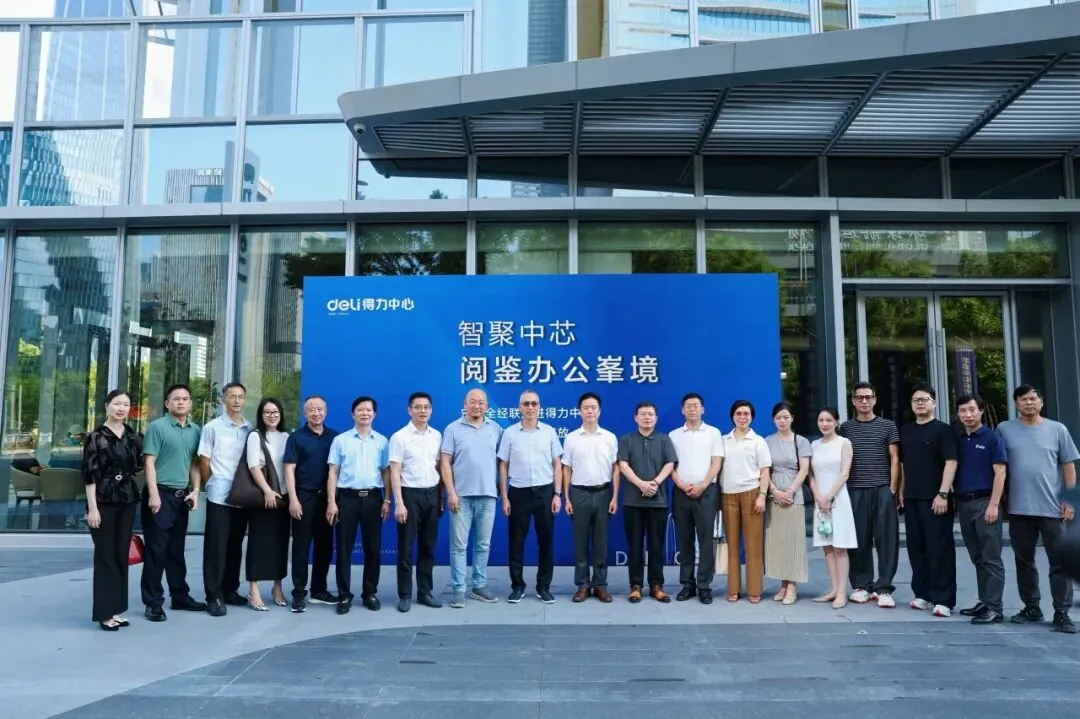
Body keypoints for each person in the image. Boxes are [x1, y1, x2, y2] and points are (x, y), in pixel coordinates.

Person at [996, 384, 1079, 633]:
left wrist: (1070, 501)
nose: (1029, 403)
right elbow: (998, 466)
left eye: (1033, 398)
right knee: (1024, 561)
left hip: (1053, 509)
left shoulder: (1057, 429)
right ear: (1016, 404)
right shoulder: (1004, 429)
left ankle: (1062, 612)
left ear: (1041, 402)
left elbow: (1068, 465)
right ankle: (1031, 606)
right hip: (1019, 509)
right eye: (1023, 399)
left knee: (1059, 563)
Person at [140, 384, 206, 621]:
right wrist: (153, 494)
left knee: (176, 550)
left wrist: (195, 490)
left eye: (185, 399)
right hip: (160, 494)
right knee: (156, 550)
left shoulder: (195, 430)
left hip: (181, 497)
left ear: (190, 404)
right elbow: (149, 463)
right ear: (167, 403)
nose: (180, 402)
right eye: (176, 399)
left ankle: (179, 596)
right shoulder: (157, 427)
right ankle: (153, 602)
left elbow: (195, 464)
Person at [83, 390, 143, 631]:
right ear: (107, 405)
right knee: (105, 555)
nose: (121, 408)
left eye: (126, 404)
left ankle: (117, 609)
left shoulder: (132, 435)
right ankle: (104, 614)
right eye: (117, 403)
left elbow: (141, 463)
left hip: (127, 499)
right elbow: (89, 474)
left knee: (120, 554)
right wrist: (93, 508)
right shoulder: (96, 436)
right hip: (103, 500)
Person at [498, 389, 563, 604]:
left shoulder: (549, 432)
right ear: (519, 407)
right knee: (516, 542)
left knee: (546, 542)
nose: (530, 407)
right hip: (518, 492)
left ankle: (544, 586)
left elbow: (557, 465)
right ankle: (517, 586)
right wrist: (505, 497)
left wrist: (557, 494)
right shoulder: (509, 433)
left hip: (545, 492)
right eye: (526, 404)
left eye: (534, 404)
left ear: (539, 407)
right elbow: (503, 465)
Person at [839, 381, 900, 608]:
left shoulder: (888, 426)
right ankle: (862, 585)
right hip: (855, 489)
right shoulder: (845, 428)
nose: (864, 401)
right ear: (853, 401)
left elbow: (895, 458)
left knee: (887, 540)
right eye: (859, 397)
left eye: (868, 397)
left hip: (882, 488)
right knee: (859, 539)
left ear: (874, 399)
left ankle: (884, 588)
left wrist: (892, 488)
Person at [326, 396, 390, 615]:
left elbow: (386, 472)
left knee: (373, 548)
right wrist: (331, 501)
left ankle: (370, 593)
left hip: (373, 498)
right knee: (344, 549)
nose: (365, 413)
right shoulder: (341, 440)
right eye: (360, 410)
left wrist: (387, 499)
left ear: (374, 414)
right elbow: (333, 472)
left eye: (369, 410)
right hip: (347, 499)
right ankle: (344, 595)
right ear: (353, 414)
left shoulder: (382, 441)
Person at [899, 384, 958, 618]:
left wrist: (943, 493)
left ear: (934, 402)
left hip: (935, 499)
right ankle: (922, 594)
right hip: (911, 498)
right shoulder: (906, 430)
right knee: (916, 548)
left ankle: (944, 599)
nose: (920, 403)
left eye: (924, 399)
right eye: (916, 400)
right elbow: (903, 465)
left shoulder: (944, 430)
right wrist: (901, 491)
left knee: (939, 549)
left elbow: (951, 462)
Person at [441, 388, 503, 608]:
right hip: (461, 497)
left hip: (488, 496)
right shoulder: (452, 429)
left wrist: (500, 489)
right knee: (459, 546)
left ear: (487, 406)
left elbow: (502, 463)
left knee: (483, 545)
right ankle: (458, 589)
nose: (477, 405)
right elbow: (445, 462)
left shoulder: (496, 429)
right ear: (465, 404)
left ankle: (479, 585)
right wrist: (451, 492)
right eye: (472, 401)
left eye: (481, 402)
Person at [197, 382, 252, 617]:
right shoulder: (212, 427)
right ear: (223, 399)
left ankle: (230, 590)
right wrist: (211, 483)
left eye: (240, 397)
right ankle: (213, 595)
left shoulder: (250, 429)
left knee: (235, 546)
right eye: (232, 396)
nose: (237, 401)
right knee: (215, 547)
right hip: (219, 495)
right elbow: (204, 460)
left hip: (243, 496)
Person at [954, 394, 1007, 625]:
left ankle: (995, 607)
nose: (968, 414)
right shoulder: (957, 439)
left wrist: (994, 504)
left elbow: (1000, 473)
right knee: (977, 557)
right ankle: (985, 601)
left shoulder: (992, 438)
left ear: (981, 411)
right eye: (963, 410)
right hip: (964, 504)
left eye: (972, 409)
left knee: (991, 558)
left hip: (986, 502)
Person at [283, 395, 339, 613]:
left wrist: (333, 501)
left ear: (326, 411)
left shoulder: (335, 437)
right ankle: (299, 594)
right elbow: (289, 469)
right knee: (301, 547)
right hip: (303, 497)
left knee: (325, 547)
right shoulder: (296, 438)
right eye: (312, 410)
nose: (316, 413)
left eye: (320, 409)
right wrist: (293, 499)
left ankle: (318, 590)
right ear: (305, 413)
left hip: (327, 499)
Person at [617, 401, 677, 604]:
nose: (647, 417)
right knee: (634, 546)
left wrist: (655, 482)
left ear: (656, 418)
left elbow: (670, 463)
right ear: (636, 418)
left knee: (656, 546)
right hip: (632, 502)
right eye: (643, 414)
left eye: (650, 414)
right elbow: (623, 465)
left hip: (658, 502)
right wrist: (641, 484)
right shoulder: (626, 439)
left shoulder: (664, 439)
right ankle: (635, 586)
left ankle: (656, 586)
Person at [562, 392, 619, 604]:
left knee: (601, 542)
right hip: (579, 494)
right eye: (586, 408)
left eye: (593, 407)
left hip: (603, 493)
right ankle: (583, 585)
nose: (589, 411)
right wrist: (567, 498)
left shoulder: (609, 437)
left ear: (599, 411)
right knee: (580, 542)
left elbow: (615, 469)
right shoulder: (571, 438)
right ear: (579, 411)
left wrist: (614, 497)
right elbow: (566, 469)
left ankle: (600, 585)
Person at [390, 392, 444, 613]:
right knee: (406, 547)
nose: (423, 411)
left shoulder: (436, 435)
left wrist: (441, 497)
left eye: (426, 407)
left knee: (428, 547)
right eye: (418, 407)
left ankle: (425, 592)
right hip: (409, 495)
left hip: (432, 494)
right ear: (409, 410)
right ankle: (404, 595)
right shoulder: (400, 437)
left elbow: (439, 467)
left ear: (431, 410)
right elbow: (394, 472)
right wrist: (399, 502)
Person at [669, 392, 723, 605]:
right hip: (681, 492)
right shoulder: (674, 435)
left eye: (696, 405)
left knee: (706, 540)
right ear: (682, 410)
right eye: (688, 406)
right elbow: (670, 466)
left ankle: (704, 586)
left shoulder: (713, 433)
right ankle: (687, 584)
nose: (692, 409)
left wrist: (702, 485)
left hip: (706, 492)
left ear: (703, 409)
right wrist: (681, 485)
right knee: (685, 540)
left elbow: (716, 463)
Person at [719, 400, 772, 604]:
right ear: (732, 416)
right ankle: (733, 589)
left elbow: (765, 471)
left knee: (753, 546)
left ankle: (754, 590)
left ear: (752, 417)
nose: (742, 417)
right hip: (728, 495)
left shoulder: (758, 441)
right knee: (732, 545)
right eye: (739, 413)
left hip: (752, 494)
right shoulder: (723, 440)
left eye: (746, 414)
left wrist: (762, 495)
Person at [244, 398, 290, 611]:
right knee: (258, 543)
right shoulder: (255, 435)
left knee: (280, 543)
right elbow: (253, 466)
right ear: (261, 415)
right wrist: (267, 491)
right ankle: (253, 589)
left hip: (283, 497)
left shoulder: (286, 436)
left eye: (275, 411)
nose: (272, 415)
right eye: (267, 412)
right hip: (263, 497)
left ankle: (277, 586)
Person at [809, 406, 857, 609]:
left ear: (836, 422)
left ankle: (842, 593)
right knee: (827, 546)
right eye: (821, 420)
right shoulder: (813, 445)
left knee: (839, 547)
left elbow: (845, 473)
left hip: (838, 500)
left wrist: (829, 496)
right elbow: (810, 475)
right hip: (820, 501)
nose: (825, 424)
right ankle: (833, 589)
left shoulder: (844, 443)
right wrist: (819, 497)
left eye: (829, 420)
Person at [764, 401, 811, 605]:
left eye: (785, 417)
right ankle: (783, 583)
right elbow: (764, 470)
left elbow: (804, 469)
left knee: (794, 541)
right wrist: (774, 491)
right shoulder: (767, 441)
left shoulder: (801, 441)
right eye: (778, 417)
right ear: (773, 420)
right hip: (774, 495)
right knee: (779, 542)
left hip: (794, 495)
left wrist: (790, 491)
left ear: (792, 418)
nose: (782, 421)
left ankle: (792, 585)